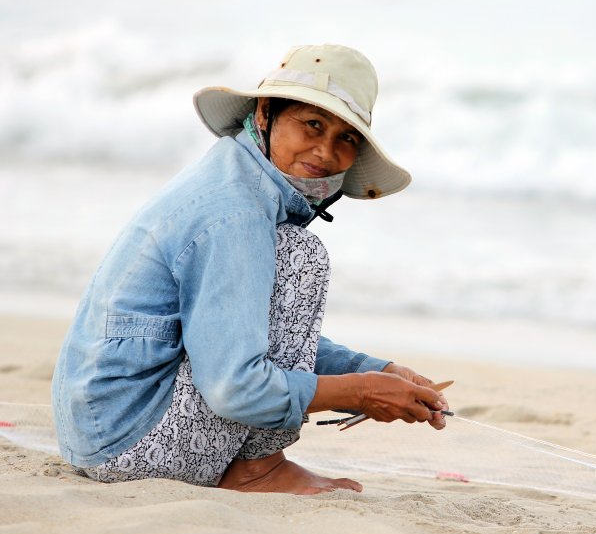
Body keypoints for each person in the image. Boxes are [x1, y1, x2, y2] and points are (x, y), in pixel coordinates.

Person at [51, 44, 448, 495]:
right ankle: (260, 468)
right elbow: (235, 388)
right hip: (131, 446)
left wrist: (377, 370)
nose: (325, 150)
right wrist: (359, 391)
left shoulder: (232, 179)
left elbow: (235, 330)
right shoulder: (236, 214)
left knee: (291, 251)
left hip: (103, 433)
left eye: (346, 138)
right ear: (265, 114)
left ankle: (257, 464)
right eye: (313, 124)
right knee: (302, 256)